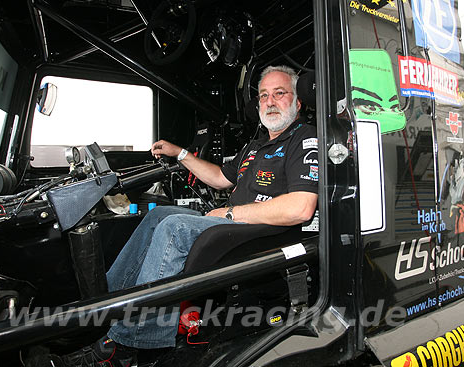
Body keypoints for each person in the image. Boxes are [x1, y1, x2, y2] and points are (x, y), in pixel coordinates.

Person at [47, 65, 318, 367]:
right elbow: (219, 178)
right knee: (157, 215)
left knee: (174, 227)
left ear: (298, 101)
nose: (269, 101)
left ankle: (125, 347)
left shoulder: (305, 139)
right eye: (264, 95)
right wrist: (180, 153)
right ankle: (103, 307)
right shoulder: (255, 146)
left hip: (261, 231)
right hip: (233, 221)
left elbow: (300, 207)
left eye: (279, 93)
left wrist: (230, 212)